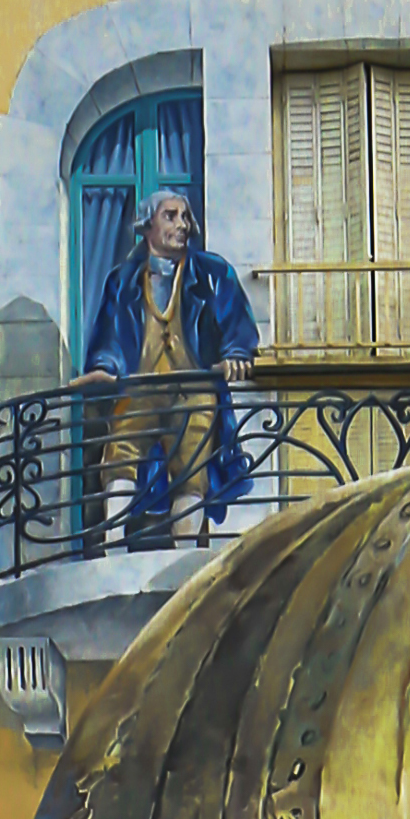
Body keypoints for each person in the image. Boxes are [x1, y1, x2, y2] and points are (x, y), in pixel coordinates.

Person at [78, 185, 260, 548]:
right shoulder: (123, 282)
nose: (183, 225)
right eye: (171, 216)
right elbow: (110, 337)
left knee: (192, 463)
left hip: (193, 390)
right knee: (119, 452)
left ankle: (185, 552)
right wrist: (103, 366)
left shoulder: (212, 274)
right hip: (141, 390)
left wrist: (237, 352)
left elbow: (236, 324)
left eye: (185, 217)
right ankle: (113, 546)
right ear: (146, 226)